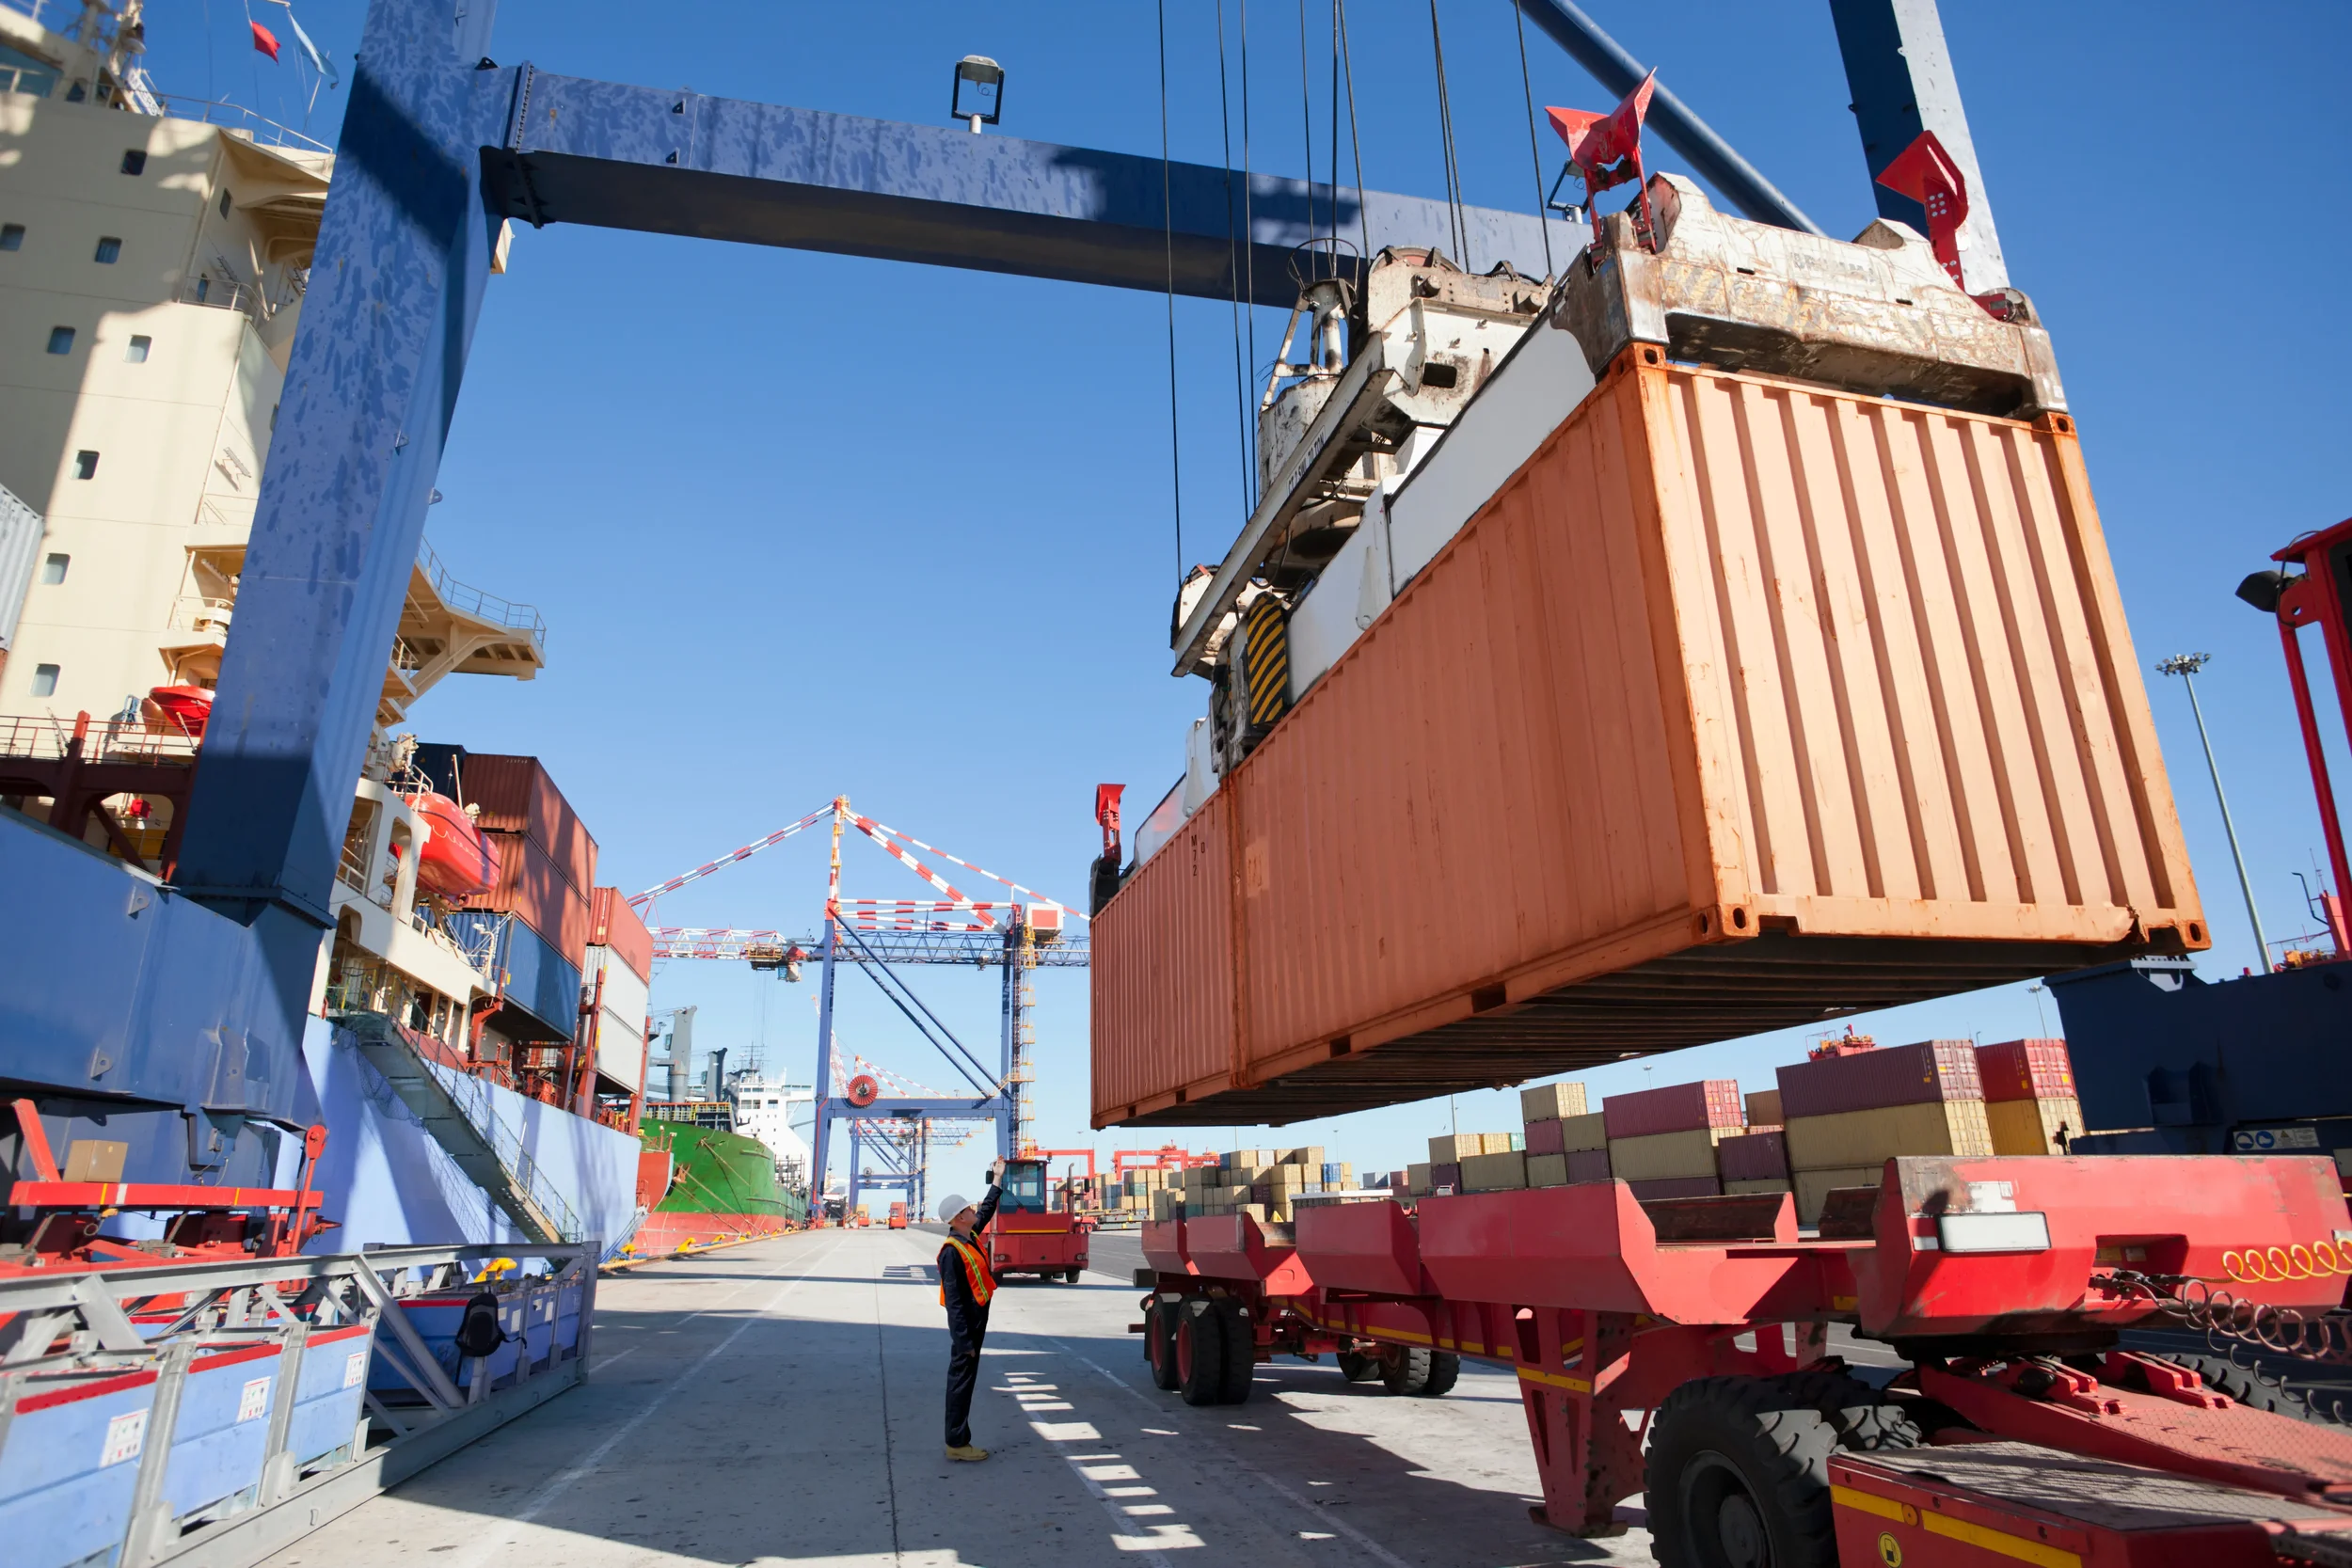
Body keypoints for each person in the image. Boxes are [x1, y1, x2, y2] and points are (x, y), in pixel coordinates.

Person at [936, 1180, 1002, 1462]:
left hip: (977, 1321)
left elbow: (986, 1211)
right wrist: (963, 1341)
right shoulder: (952, 1250)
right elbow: (954, 1302)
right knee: (961, 1383)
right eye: (968, 1208)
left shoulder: (969, 1235)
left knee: (965, 1381)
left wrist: (997, 1180)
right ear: (959, 1218)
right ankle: (957, 1443)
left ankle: (958, 1440)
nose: (974, 1210)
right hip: (967, 1328)